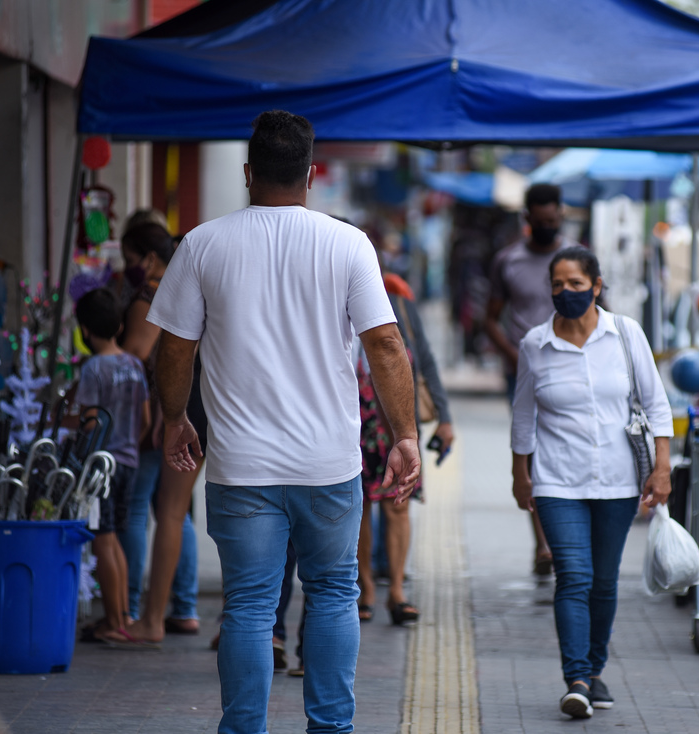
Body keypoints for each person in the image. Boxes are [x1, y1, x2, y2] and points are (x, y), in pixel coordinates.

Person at [144, 110, 420, 734]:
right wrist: (405, 435)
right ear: (312, 173)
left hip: (241, 468)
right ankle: (331, 728)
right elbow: (384, 343)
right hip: (329, 465)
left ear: (248, 173)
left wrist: (175, 419)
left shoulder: (202, 244)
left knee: (247, 606)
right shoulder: (348, 243)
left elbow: (175, 349)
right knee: (333, 594)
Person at [510, 248, 673, 720]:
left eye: (576, 284)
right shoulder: (535, 345)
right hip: (557, 482)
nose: (566, 292)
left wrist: (662, 469)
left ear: (596, 286)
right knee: (574, 576)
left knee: (603, 582)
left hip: (618, 483)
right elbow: (523, 415)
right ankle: (577, 679)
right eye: (557, 285)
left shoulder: (626, 334)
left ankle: (595, 668)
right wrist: (520, 475)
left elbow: (656, 404)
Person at [116, 222, 203, 641]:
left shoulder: (155, 295)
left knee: (156, 510)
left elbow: (138, 355)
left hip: (173, 412)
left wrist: (164, 415)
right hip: (203, 407)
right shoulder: (198, 291)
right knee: (177, 512)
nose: (127, 268)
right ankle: (182, 607)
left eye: (130, 259)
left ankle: (142, 615)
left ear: (152, 259)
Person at [486, 183, 573, 576]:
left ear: (561, 216)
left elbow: (600, 311)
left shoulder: (576, 259)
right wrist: (514, 356)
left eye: (552, 220)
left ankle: (562, 535)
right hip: (522, 374)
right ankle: (543, 543)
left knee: (565, 450)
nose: (547, 226)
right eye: (539, 221)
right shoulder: (508, 261)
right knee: (532, 451)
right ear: (526, 220)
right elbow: (490, 319)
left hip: (569, 370)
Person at [356, 281, 453, 625]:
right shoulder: (327, 296)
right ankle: (365, 588)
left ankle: (397, 590)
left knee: (398, 504)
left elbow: (425, 361)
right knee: (359, 506)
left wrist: (445, 418)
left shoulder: (397, 301)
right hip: (353, 419)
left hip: (397, 419)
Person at [73, 288, 151, 646]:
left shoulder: (93, 369)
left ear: (85, 330)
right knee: (115, 537)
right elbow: (145, 420)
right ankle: (122, 617)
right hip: (130, 461)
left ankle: (113, 621)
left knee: (102, 539)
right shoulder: (134, 366)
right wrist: (129, 444)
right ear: (120, 325)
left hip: (101, 466)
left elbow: (90, 422)